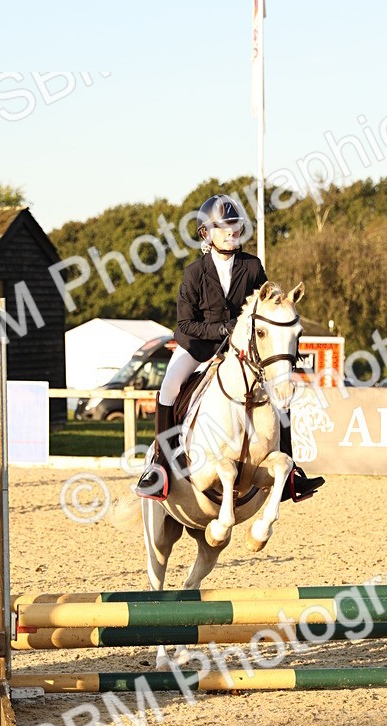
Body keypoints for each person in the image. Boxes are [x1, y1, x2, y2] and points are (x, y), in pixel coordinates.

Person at [134, 193, 324, 502]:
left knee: (280, 395)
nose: (233, 232)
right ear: (206, 233)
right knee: (168, 386)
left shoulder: (251, 267)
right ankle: (161, 465)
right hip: (198, 346)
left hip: (241, 352)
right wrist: (221, 329)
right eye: (225, 227)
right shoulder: (194, 272)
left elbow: (267, 305)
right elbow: (185, 325)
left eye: (235, 226)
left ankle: (290, 473)